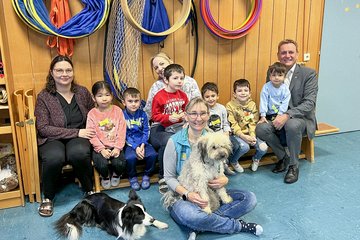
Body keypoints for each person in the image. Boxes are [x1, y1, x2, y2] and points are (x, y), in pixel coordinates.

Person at [163, 97, 263, 237]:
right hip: (182, 195)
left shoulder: (216, 137)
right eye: (193, 113)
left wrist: (224, 180)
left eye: (203, 113)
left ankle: (201, 224)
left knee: (249, 198)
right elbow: (168, 177)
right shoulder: (173, 142)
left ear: (208, 115)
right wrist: (188, 194)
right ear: (186, 116)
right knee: (191, 215)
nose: (198, 118)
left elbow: (219, 169)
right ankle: (238, 226)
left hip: (211, 190)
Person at [35, 55, 95, 217]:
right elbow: (43, 128)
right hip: (53, 138)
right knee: (54, 157)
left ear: (73, 72)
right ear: (52, 73)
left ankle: (89, 190)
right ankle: (48, 197)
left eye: (68, 70)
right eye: (59, 70)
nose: (64, 74)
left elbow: (93, 114)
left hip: (79, 136)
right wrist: (76, 132)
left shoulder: (82, 92)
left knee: (79, 153)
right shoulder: (44, 97)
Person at [256, 39, 318, 184]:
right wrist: (263, 115)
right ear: (278, 55)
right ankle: (284, 157)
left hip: (299, 118)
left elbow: (309, 103)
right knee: (261, 129)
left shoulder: (309, 74)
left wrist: (287, 115)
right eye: (283, 52)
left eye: (291, 52)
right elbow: (268, 97)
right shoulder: (272, 71)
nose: (287, 55)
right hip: (275, 116)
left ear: (297, 54)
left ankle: (293, 166)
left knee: (291, 125)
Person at [150, 63, 189, 194]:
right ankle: (163, 177)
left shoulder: (183, 95)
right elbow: (154, 116)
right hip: (160, 127)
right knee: (169, 142)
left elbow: (187, 111)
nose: (179, 81)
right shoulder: (159, 96)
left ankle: (183, 172)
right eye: (176, 78)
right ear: (166, 80)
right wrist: (168, 118)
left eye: (182, 78)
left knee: (189, 137)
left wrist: (186, 118)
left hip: (177, 126)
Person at [86, 81, 127, 189]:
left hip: (116, 145)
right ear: (94, 97)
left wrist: (118, 148)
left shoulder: (117, 111)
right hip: (99, 147)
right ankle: (105, 176)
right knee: (101, 164)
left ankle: (116, 174)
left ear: (112, 96)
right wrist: (101, 149)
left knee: (120, 164)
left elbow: (122, 130)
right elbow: (91, 134)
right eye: (100, 95)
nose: (104, 98)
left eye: (107, 95)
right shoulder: (92, 113)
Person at [226, 79, 268, 172]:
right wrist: (244, 137)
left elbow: (253, 122)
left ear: (249, 93)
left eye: (246, 90)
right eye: (239, 91)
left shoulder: (252, 105)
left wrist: (252, 135)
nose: (243, 93)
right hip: (238, 134)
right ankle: (233, 161)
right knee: (245, 147)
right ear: (234, 94)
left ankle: (256, 159)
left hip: (251, 133)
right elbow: (233, 124)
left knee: (263, 147)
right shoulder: (230, 106)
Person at [201, 82, 243, 175]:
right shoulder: (203, 110)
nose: (210, 99)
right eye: (207, 97)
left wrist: (227, 132)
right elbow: (203, 127)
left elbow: (225, 123)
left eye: (213, 96)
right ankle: (217, 167)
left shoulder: (222, 108)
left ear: (217, 96)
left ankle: (225, 164)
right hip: (211, 137)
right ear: (203, 98)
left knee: (236, 145)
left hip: (222, 135)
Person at [143, 52, 201, 120]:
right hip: (163, 125)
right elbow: (149, 112)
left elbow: (198, 103)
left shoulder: (190, 82)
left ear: (170, 62)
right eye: (156, 68)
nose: (160, 68)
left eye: (162, 64)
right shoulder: (156, 86)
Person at [122, 87, 157, 191]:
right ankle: (132, 177)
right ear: (124, 102)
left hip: (143, 142)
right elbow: (124, 134)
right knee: (130, 158)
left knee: (153, 155)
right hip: (130, 144)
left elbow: (146, 131)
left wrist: (142, 144)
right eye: (130, 101)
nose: (133, 104)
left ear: (140, 102)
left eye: (136, 101)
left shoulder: (143, 114)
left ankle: (147, 175)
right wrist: (135, 147)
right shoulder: (122, 115)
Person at [258, 62, 291, 147]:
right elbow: (263, 101)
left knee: (282, 128)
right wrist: (263, 115)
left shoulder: (285, 89)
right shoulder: (266, 87)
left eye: (280, 75)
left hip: (280, 114)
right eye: (274, 75)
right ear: (270, 76)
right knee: (266, 127)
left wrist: (280, 114)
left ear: (284, 77)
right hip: (268, 114)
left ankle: (285, 146)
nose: (276, 78)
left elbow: (285, 102)